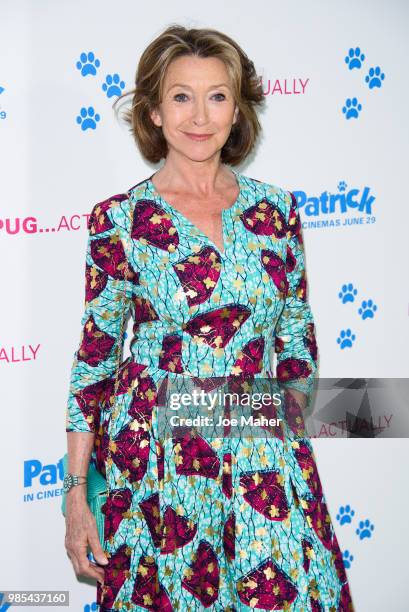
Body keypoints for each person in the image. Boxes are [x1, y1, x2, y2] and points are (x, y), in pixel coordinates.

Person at [63, 24, 354, 611]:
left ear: (238, 109)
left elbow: (297, 336)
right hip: (158, 464)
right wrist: (75, 493)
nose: (200, 115)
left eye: (217, 95)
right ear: (152, 113)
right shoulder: (119, 219)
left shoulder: (276, 210)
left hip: (260, 454)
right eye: (181, 96)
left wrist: (282, 438)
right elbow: (95, 357)